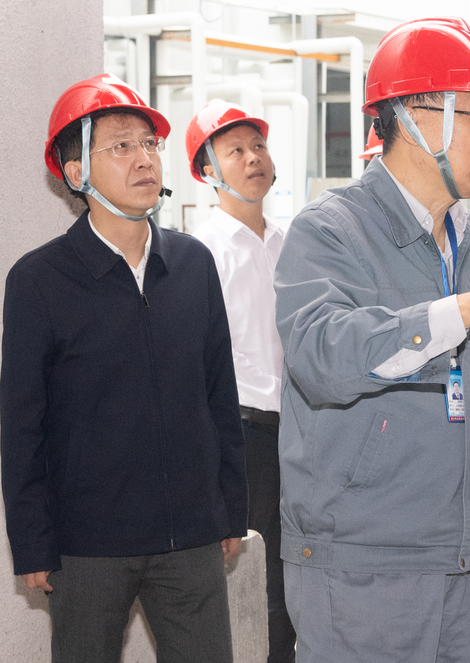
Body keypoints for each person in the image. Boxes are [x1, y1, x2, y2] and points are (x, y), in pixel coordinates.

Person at [273, 17, 470, 662]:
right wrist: (466, 310)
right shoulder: (330, 229)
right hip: (362, 563)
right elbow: (322, 356)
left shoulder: (467, 239)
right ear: (416, 118)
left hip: (460, 555)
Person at [1, 74, 248, 662]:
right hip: (87, 545)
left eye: (149, 143)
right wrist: (33, 542)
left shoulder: (193, 263)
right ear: (75, 173)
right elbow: (21, 423)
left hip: (191, 536)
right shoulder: (38, 280)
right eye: (120, 146)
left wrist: (229, 510)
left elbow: (220, 394)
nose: (143, 158)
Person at [186, 99, 296, 663]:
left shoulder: (293, 242)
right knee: (261, 576)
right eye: (235, 151)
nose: (254, 158)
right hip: (245, 435)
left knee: (301, 566)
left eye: (259, 146)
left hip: (303, 429)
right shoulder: (200, 252)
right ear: (208, 171)